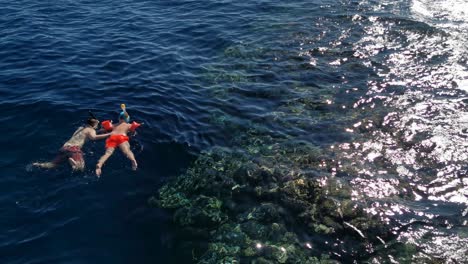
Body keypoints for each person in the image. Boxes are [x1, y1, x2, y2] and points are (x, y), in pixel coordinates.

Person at [33, 118, 112, 171]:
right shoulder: (91, 130)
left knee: (53, 165)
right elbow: (93, 137)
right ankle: (73, 163)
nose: (97, 127)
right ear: (93, 126)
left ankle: (39, 165)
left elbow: (88, 134)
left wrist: (100, 131)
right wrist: (109, 134)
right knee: (80, 167)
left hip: (65, 147)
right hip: (74, 149)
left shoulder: (81, 128)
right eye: (97, 125)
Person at [95, 108, 138, 177]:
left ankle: (100, 164)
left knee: (108, 153)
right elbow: (133, 132)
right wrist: (133, 133)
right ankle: (133, 160)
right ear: (127, 120)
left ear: (119, 118)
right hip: (122, 137)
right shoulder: (128, 125)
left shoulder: (114, 125)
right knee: (127, 151)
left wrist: (98, 131)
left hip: (112, 136)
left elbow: (102, 130)